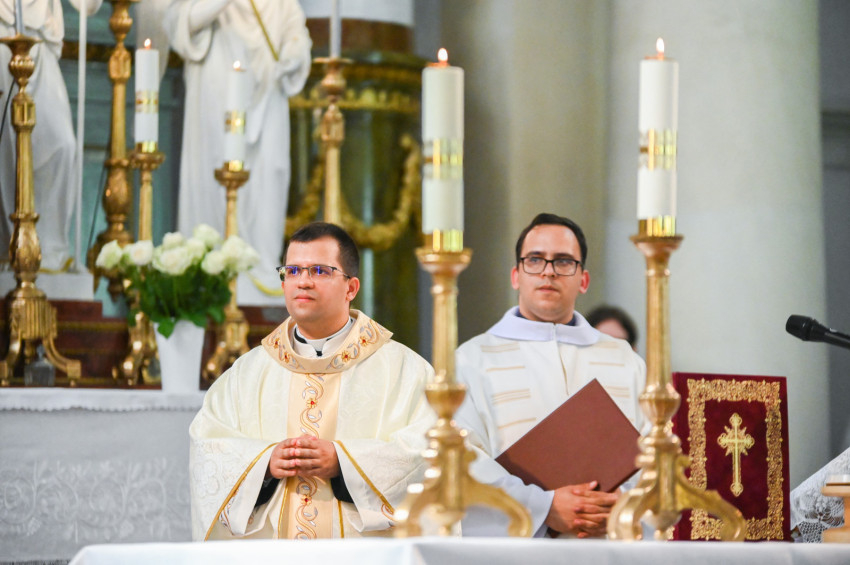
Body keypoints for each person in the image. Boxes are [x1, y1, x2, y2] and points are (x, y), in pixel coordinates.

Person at [190, 222, 436, 540]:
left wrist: (344, 463)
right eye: (292, 271)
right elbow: (207, 446)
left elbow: (432, 452)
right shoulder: (246, 374)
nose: (303, 282)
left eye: (319, 271)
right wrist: (263, 462)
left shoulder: (404, 370)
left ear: (351, 288)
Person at [456, 212, 646, 538]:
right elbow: (462, 459)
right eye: (535, 260)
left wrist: (622, 505)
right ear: (516, 275)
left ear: (583, 280)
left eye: (563, 261)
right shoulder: (472, 359)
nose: (548, 271)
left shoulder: (624, 359)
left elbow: (655, 446)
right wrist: (543, 507)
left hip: (607, 545)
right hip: (521, 550)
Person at [164, 0, 312, 291]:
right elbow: (179, 21)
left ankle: (260, 265)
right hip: (217, 80)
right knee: (215, 172)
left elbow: (294, 23)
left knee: (271, 172)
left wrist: (295, 50)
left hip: (269, 85)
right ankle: (215, 269)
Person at [0, 0, 102, 271]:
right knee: (8, 150)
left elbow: (88, 6)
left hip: (39, 40)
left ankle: (50, 250)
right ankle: (11, 249)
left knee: (63, 145)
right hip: (3, 36)